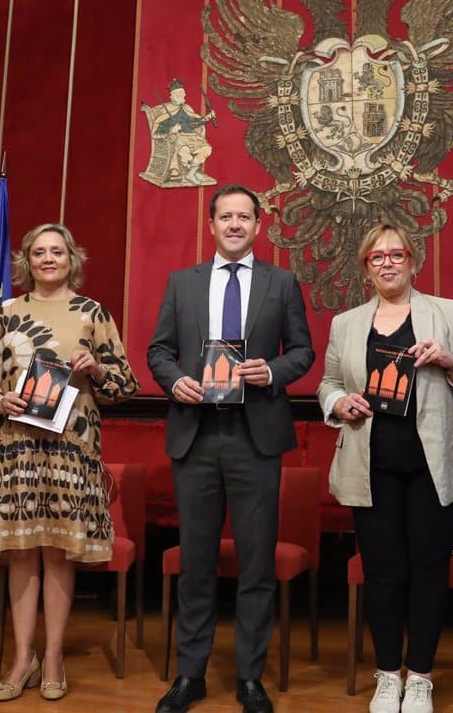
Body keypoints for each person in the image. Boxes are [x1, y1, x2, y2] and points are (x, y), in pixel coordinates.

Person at [147, 184, 314, 713]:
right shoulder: (182, 282)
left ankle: (249, 678)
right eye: (226, 217)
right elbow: (158, 351)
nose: (235, 224)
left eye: (245, 217)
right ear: (212, 225)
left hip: (255, 435)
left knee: (257, 563)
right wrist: (174, 380)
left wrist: (274, 370)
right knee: (195, 562)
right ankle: (190, 675)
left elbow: (303, 351)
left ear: (259, 225)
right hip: (196, 434)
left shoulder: (281, 282)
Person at [0, 223, 138, 702]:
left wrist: (96, 368)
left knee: (58, 552)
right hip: (15, 450)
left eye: (57, 251)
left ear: (72, 259)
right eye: (39, 252)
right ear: (27, 261)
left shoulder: (92, 313)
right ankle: (23, 659)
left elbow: (125, 384)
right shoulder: (6, 313)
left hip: (71, 452)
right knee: (21, 552)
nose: (49, 258)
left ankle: (54, 656)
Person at [317, 223, 453, 713]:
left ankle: (420, 677)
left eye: (397, 255)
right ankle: (387, 674)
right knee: (383, 573)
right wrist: (338, 402)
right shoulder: (346, 323)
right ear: (365, 268)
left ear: (414, 262)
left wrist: (450, 360)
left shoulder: (447, 312)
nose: (388, 263)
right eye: (377, 257)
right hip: (370, 465)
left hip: (434, 467)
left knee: (429, 572)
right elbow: (328, 382)